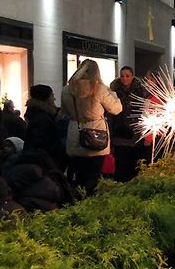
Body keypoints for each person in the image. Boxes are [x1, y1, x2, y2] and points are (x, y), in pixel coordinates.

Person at [60, 59, 122, 195]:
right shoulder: (99, 89)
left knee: (79, 176)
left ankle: (78, 200)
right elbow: (116, 109)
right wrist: (113, 94)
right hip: (96, 135)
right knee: (94, 176)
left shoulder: (67, 89)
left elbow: (65, 112)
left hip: (75, 133)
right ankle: (91, 201)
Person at [109, 66, 147, 182]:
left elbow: (144, 110)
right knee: (120, 164)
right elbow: (111, 114)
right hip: (120, 132)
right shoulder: (114, 92)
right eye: (122, 76)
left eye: (127, 76)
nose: (124, 79)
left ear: (132, 76)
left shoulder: (140, 91)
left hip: (135, 133)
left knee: (134, 164)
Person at [24, 84, 66, 170]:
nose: (54, 99)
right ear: (45, 98)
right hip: (45, 163)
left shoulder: (36, 114)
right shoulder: (42, 118)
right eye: (52, 95)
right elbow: (41, 144)